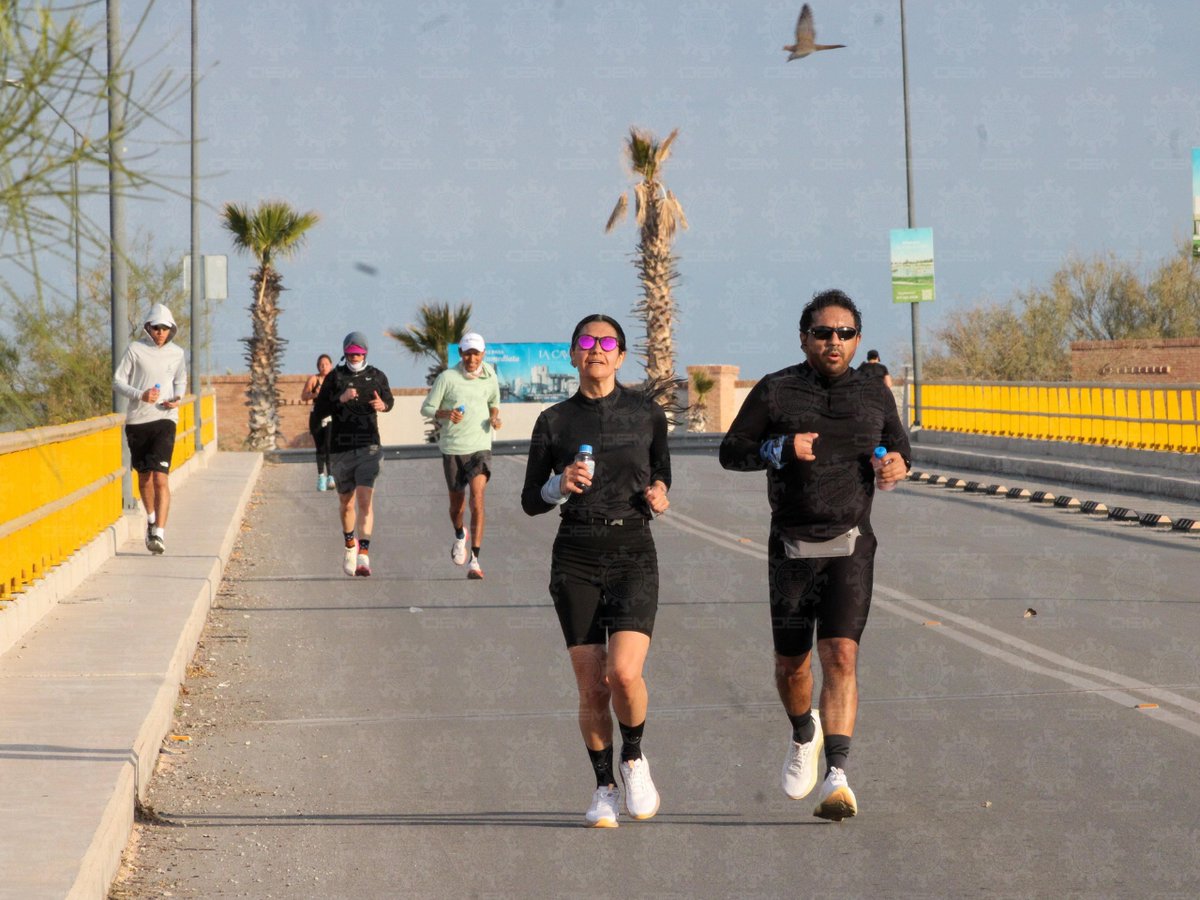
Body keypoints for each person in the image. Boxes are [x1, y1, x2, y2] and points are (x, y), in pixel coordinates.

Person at [718, 289, 910, 822]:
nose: (834, 341)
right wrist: (780, 448)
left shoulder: (873, 393)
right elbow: (731, 451)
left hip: (851, 545)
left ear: (858, 339)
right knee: (792, 664)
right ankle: (804, 732)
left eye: (845, 333)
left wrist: (896, 465)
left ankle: (837, 775)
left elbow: (900, 448)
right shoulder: (777, 389)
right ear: (804, 338)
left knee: (841, 655)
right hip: (791, 548)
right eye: (823, 333)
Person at [521, 314, 671, 829]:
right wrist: (559, 484)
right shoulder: (554, 421)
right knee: (592, 687)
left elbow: (662, 472)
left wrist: (659, 492)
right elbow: (530, 500)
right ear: (572, 354)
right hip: (576, 555)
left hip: (632, 550)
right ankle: (604, 787)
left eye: (607, 342)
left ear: (621, 355)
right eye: (586, 341)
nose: (597, 349)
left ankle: (634, 757)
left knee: (623, 674)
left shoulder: (647, 413)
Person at [419, 332, 502, 580]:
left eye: (476, 354)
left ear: (483, 354)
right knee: (457, 507)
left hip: (480, 447)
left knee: (478, 499)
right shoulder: (447, 378)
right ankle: (459, 533)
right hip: (453, 449)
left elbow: (494, 401)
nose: (472, 359)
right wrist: (446, 414)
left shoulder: (490, 375)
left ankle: (475, 560)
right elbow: (427, 408)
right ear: (460, 353)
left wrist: (494, 417)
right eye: (467, 354)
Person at [312, 331, 394, 577]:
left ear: (365, 353)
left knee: (365, 500)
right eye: (350, 353)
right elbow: (320, 410)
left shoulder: (377, 376)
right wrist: (341, 398)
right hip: (341, 448)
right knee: (346, 503)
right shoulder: (335, 377)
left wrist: (383, 405)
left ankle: (364, 555)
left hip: (369, 446)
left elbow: (389, 400)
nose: (355, 357)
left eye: (358, 354)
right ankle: (350, 546)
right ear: (345, 353)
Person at [112, 303, 188, 555]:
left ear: (171, 329)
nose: (160, 333)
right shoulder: (135, 349)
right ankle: (151, 520)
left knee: (161, 477)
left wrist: (177, 398)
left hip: (165, 419)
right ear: (148, 328)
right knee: (144, 477)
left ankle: (160, 534)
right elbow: (117, 382)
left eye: (165, 328)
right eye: (156, 328)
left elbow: (180, 380)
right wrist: (140, 395)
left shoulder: (177, 353)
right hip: (138, 421)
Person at [301, 353, 335, 491]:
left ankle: (331, 476)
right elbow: (304, 396)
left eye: (326, 364)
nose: (324, 366)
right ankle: (321, 477)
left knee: (329, 446)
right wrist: (315, 394)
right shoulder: (314, 379)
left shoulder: (335, 379)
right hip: (316, 416)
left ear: (331, 366)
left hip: (330, 417)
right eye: (321, 364)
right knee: (320, 447)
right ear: (318, 367)